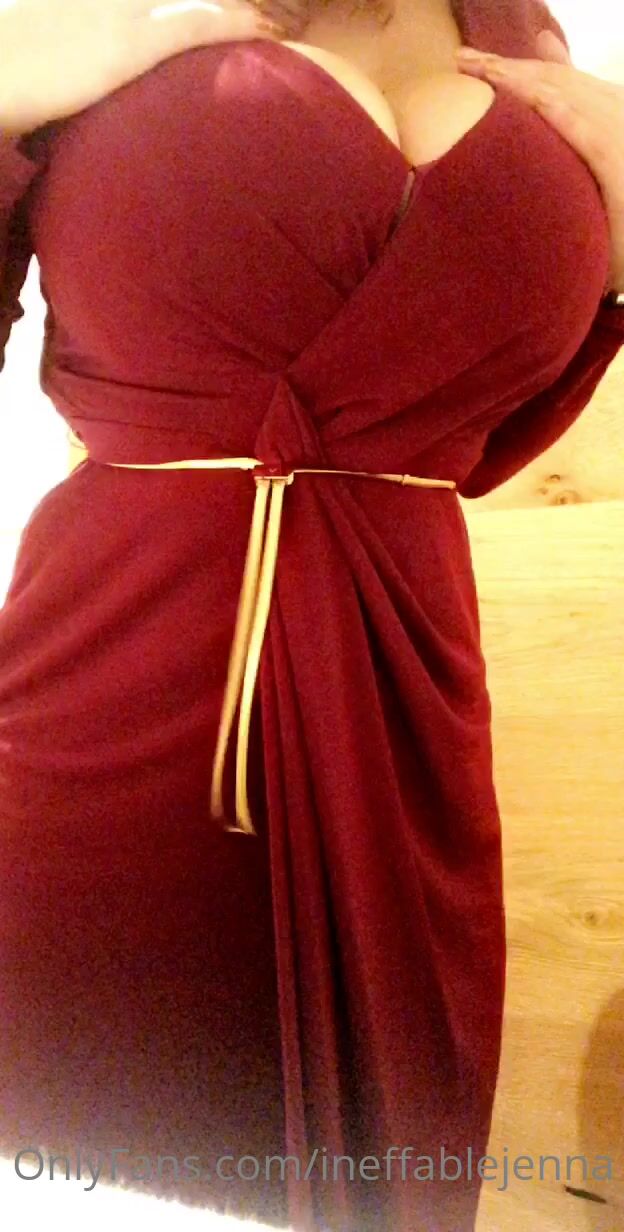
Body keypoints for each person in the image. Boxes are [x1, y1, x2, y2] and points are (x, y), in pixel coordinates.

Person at [0, 1, 623, 1229]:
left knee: (389, 1164)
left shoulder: (528, 47)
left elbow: (485, 439)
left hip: (407, 723)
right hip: (112, 687)